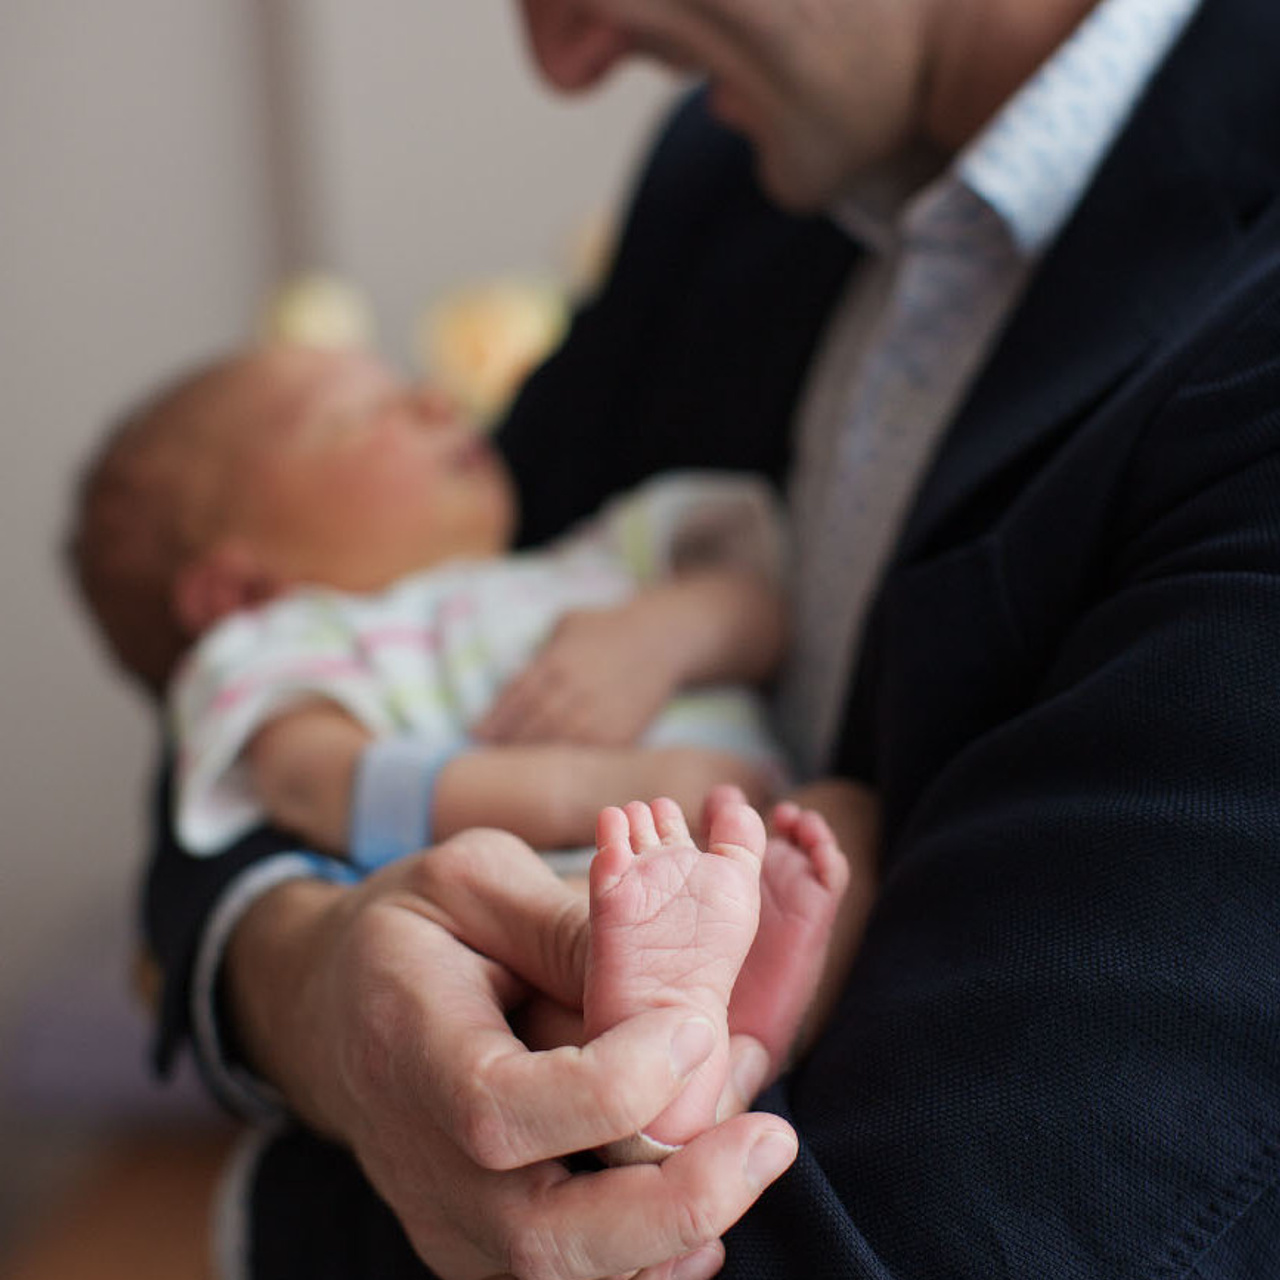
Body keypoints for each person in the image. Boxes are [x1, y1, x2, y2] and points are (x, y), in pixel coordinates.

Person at [140, 0, 1280, 1275]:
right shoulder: (732, 175)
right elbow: (308, 671)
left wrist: (330, 1173)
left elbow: (948, 1222)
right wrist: (316, 981)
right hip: (595, 935)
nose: (565, 62)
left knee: (820, 836)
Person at [70, 344, 855, 1158]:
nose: (438, 403)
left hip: (750, 840)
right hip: (569, 893)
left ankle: (731, 1050)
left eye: (410, 387)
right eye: (357, 417)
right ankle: (671, 1083)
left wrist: (663, 635)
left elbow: (759, 613)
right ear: (237, 590)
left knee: (842, 824)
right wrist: (607, 786)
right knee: (533, 992)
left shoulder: (591, 558)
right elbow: (319, 784)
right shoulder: (291, 642)